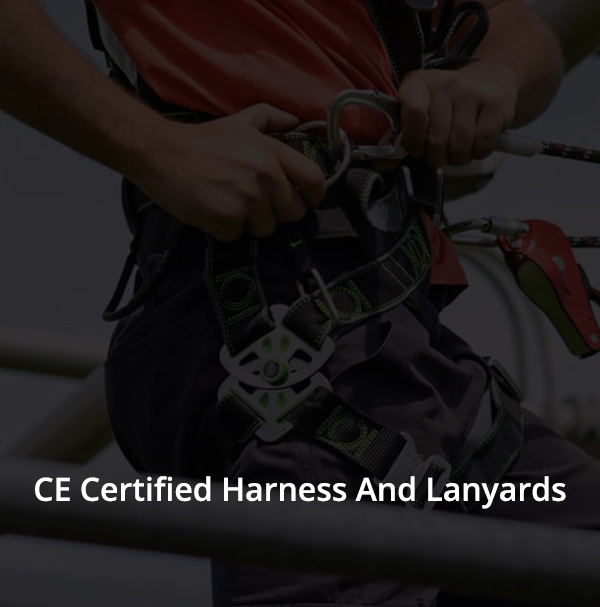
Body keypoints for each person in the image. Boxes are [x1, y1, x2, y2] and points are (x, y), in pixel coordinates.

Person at [1, 1, 599, 606]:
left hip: (399, 340)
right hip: (281, 323)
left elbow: (513, 22)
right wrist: (157, 148)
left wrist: (495, 74)